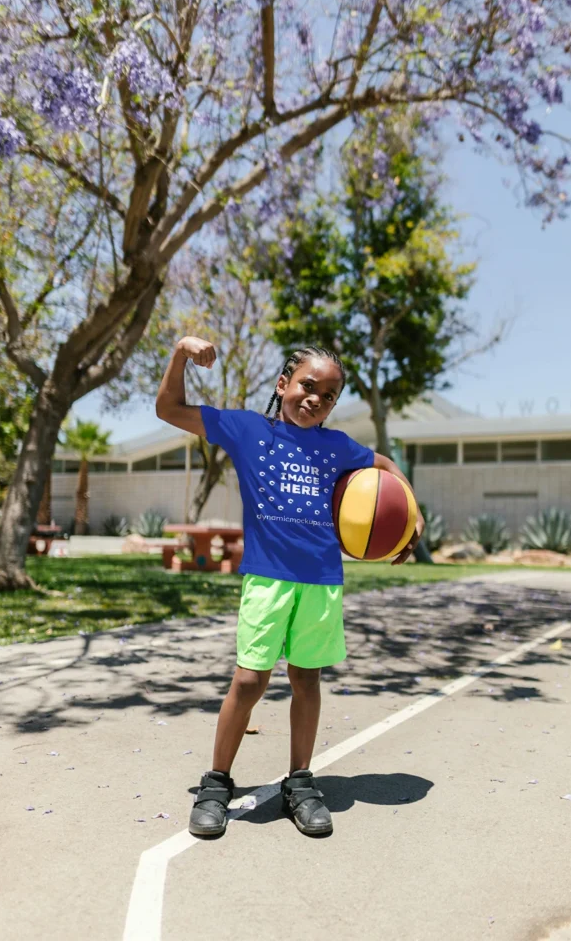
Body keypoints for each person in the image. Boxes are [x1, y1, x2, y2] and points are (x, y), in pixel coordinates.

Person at [156, 335, 424, 837]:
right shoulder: (247, 429)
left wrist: (412, 514)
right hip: (267, 579)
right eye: (307, 386)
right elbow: (168, 408)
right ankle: (217, 783)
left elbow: (385, 468)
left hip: (321, 582)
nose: (316, 399)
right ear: (283, 384)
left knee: (306, 680)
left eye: (328, 395)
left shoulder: (340, 447)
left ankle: (299, 782)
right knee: (249, 681)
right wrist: (179, 354)